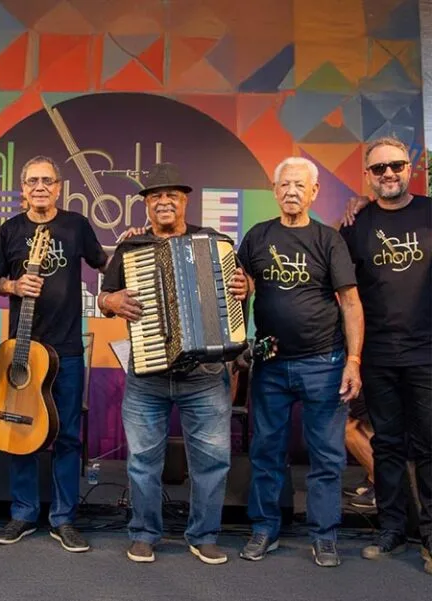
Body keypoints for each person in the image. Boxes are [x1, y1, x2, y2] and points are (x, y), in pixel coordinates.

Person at [98, 163, 248, 564]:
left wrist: (243, 287)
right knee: (144, 460)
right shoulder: (129, 249)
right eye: (155, 197)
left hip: (205, 375)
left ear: (185, 201)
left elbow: (237, 294)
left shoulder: (215, 243)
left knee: (212, 460)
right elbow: (104, 296)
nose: (163, 202)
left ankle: (204, 534)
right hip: (148, 375)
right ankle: (145, 532)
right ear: (146, 205)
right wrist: (109, 301)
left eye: (172, 196)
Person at [236, 156, 363, 567]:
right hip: (270, 364)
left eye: (299, 186)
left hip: (323, 363)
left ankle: (324, 535)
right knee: (266, 451)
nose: (291, 192)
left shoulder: (329, 240)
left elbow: (350, 302)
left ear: (313, 192)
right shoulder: (257, 236)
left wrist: (354, 359)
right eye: (284, 185)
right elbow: (243, 287)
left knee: (326, 455)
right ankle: (264, 529)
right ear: (275, 191)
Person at [0, 156, 108, 553]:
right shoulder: (9, 230)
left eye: (47, 180)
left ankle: (64, 517)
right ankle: (23, 513)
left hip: (68, 348)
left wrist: (131, 244)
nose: (40, 187)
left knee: (69, 435)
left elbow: (104, 263)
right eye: (32, 181)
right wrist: (13, 286)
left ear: (59, 187)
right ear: (22, 188)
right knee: (20, 429)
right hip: (22, 350)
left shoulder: (75, 225)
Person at [339, 137, 431, 574]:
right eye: (378, 169)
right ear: (368, 176)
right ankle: (392, 529)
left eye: (396, 165)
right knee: (388, 446)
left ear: (410, 168)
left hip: (428, 354)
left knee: (430, 447)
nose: (388, 173)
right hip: (377, 356)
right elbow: (340, 290)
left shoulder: (431, 213)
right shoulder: (356, 224)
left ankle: (430, 536)